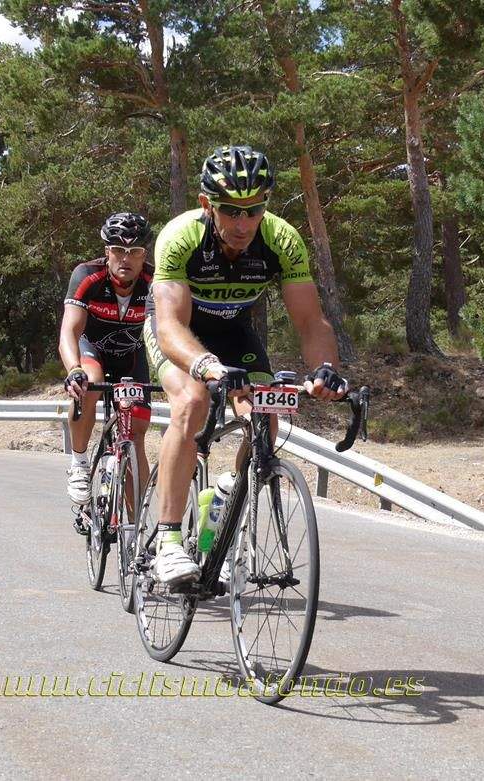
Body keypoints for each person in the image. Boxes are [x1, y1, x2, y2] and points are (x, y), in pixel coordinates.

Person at [144, 145, 350, 584]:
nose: (242, 224)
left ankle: (225, 497)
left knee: (266, 416)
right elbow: (169, 326)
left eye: (253, 210)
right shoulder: (181, 236)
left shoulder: (281, 240)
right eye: (230, 211)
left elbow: (311, 322)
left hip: (235, 328)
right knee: (192, 402)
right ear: (206, 205)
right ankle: (168, 541)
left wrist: (324, 371)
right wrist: (204, 364)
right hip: (178, 331)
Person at [60, 212, 154, 507]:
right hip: (92, 351)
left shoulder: (155, 282)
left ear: (144, 255)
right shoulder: (87, 276)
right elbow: (70, 331)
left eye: (134, 251)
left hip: (131, 356)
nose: (125, 258)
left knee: (135, 436)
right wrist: (73, 369)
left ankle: (138, 534)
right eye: (118, 250)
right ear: (107, 252)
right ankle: (79, 463)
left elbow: (168, 334)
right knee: (90, 381)